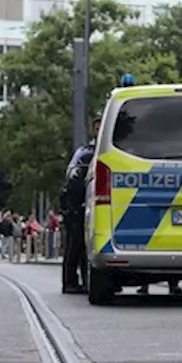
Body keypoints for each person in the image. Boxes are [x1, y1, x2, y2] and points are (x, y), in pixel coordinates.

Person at [61, 116, 101, 293]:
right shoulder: (87, 153)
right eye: (98, 128)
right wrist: (74, 206)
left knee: (85, 246)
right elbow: (73, 180)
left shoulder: (90, 151)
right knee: (75, 246)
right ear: (94, 130)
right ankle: (70, 281)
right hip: (77, 207)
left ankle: (84, 281)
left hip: (85, 205)